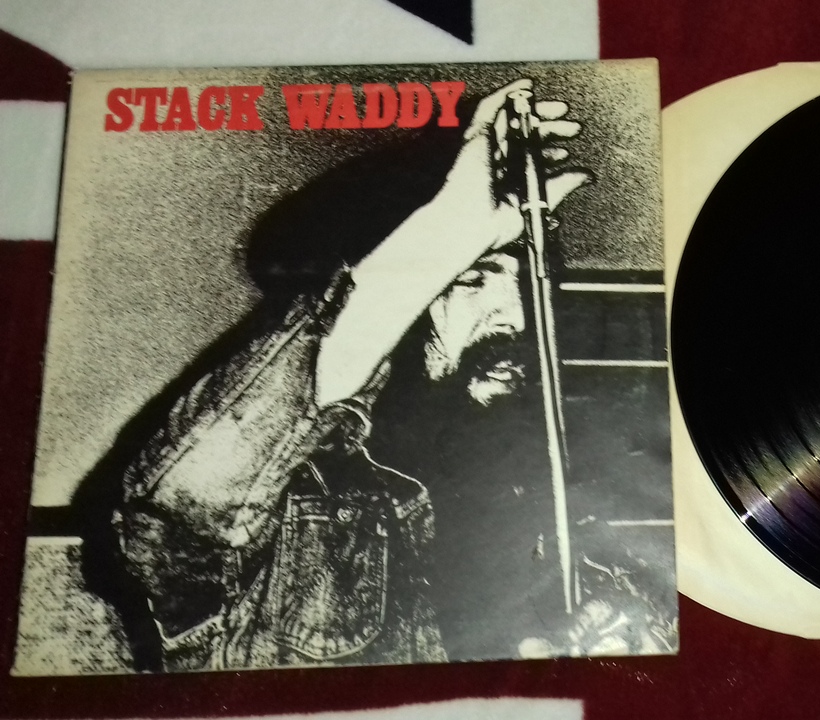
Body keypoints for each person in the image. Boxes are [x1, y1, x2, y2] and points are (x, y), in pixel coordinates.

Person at [88, 79, 664, 671]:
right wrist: (446, 233)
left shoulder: (542, 493)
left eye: (519, 287)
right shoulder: (287, 502)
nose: (512, 316)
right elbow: (185, 505)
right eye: (472, 280)